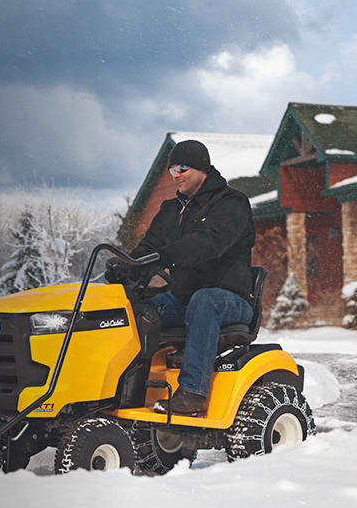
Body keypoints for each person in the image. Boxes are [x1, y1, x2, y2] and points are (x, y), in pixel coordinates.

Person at [106, 139, 255, 414]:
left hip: (230, 300)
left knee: (204, 300)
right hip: (183, 299)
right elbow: (149, 248)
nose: (176, 174)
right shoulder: (170, 210)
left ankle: (192, 393)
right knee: (138, 311)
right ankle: (125, 388)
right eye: (173, 168)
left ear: (203, 169)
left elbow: (208, 243)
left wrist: (165, 256)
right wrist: (128, 266)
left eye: (183, 168)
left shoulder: (231, 203)